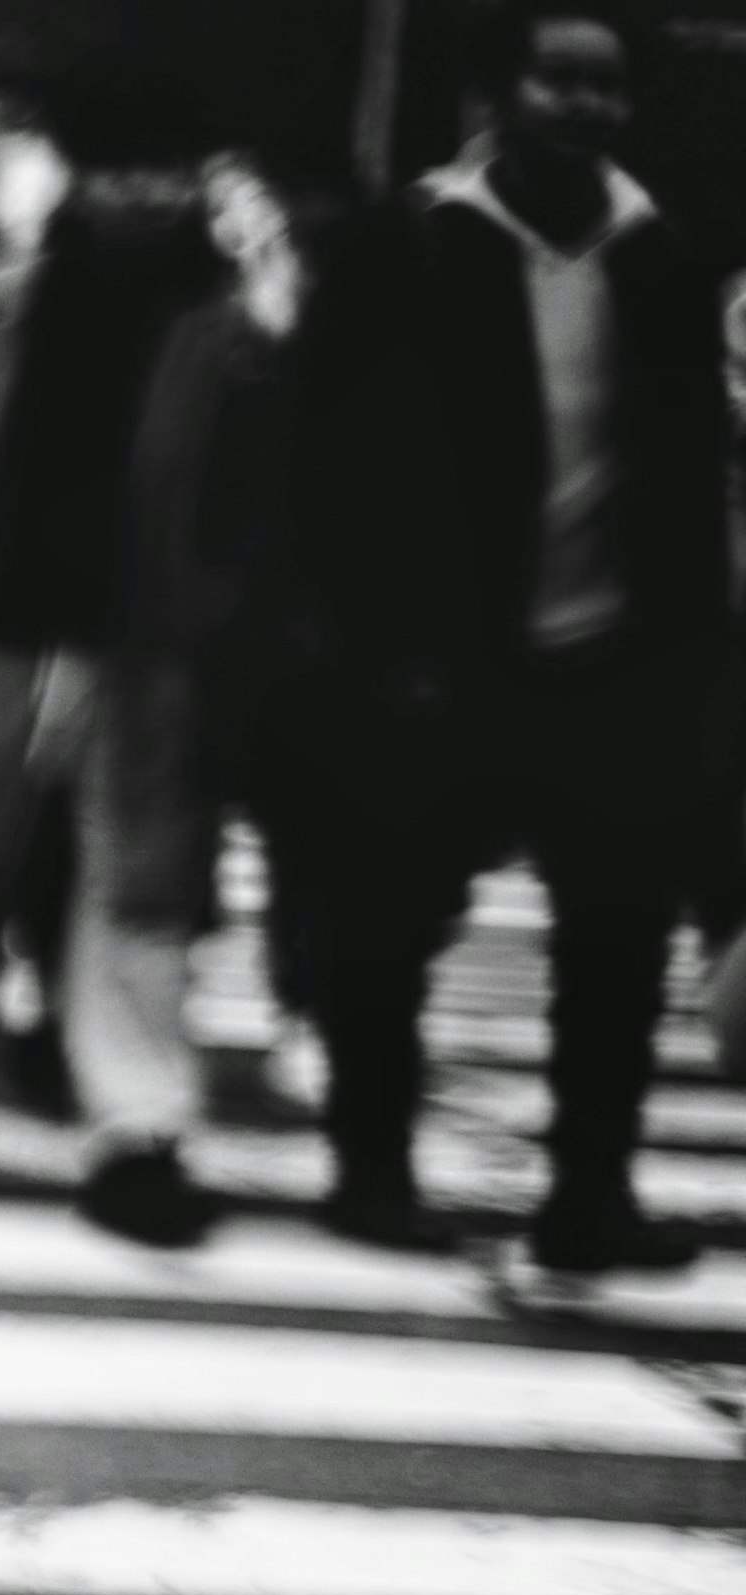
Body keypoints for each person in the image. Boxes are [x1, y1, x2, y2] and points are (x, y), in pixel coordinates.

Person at [278, 0, 732, 1271]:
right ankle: (371, 1169)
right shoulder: (410, 245)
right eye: (559, 79)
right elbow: (326, 458)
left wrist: (686, 654)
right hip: (438, 657)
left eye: (606, 85)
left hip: (614, 656)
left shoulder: (661, 257)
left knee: (617, 936)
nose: (585, 106)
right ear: (500, 93)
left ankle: (591, 1192)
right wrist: (368, 640)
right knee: (391, 915)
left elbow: (691, 473)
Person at [0, 90, 267, 1245]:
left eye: (166, 172)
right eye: (124, 170)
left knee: (134, 898)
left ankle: (140, 1129)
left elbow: (268, 499)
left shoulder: (226, 330)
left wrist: (223, 620)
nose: (144, 196)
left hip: (146, 658)